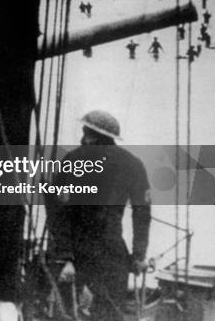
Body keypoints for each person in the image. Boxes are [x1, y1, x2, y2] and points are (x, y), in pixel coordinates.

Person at [47, 110, 151, 321]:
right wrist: (139, 255)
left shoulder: (73, 159)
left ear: (91, 135)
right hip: (111, 252)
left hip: (75, 250)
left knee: (65, 312)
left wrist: (65, 256)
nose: (81, 139)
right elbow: (142, 212)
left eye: (85, 133)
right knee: (110, 313)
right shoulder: (132, 164)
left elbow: (57, 211)